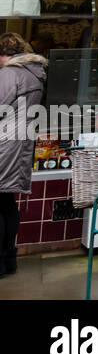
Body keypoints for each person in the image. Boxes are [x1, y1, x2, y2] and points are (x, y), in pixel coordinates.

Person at [0, 33, 48, 278]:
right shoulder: (34, 72)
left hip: (5, 142)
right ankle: (10, 260)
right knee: (7, 202)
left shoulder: (10, 73)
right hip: (21, 142)